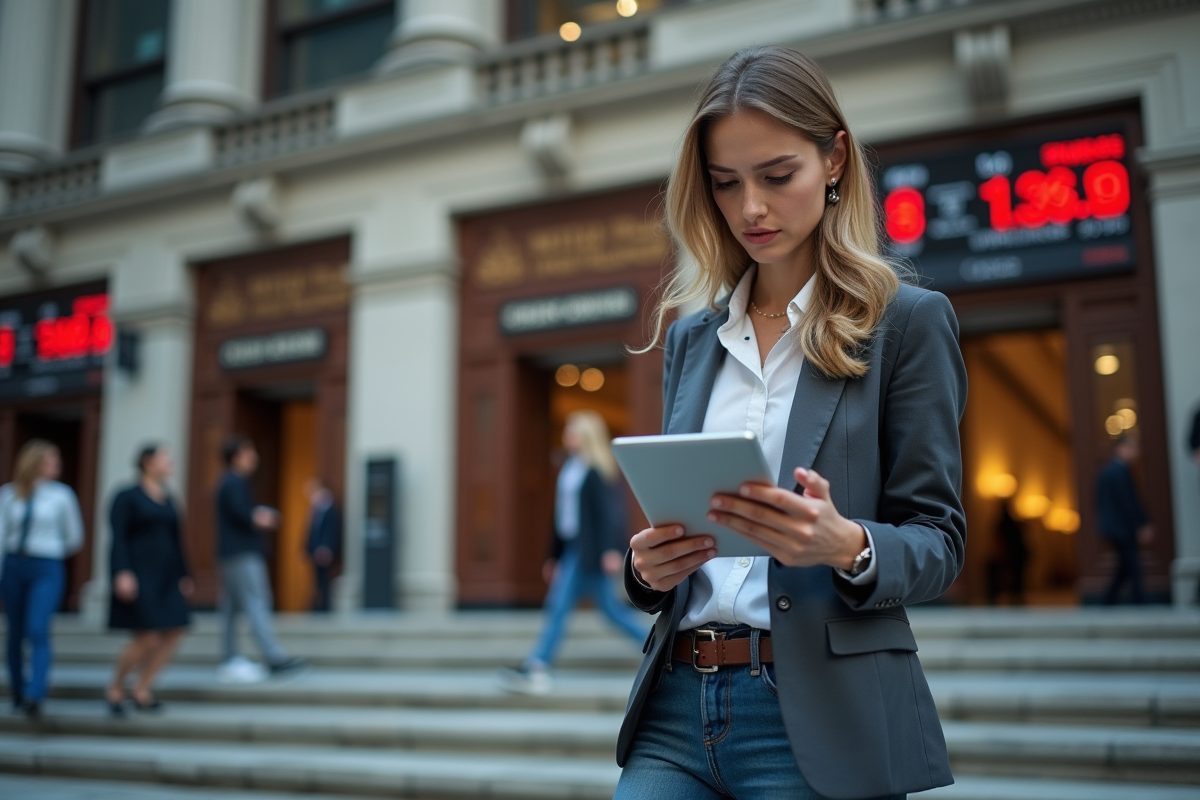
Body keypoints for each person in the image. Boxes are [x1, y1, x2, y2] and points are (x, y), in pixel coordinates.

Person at [614, 46, 967, 799]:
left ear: (834, 157)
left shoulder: (906, 323)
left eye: (777, 177)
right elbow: (681, 527)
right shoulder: (692, 338)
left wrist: (848, 545)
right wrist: (646, 571)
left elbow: (939, 539)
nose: (750, 209)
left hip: (817, 717)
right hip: (676, 708)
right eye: (725, 183)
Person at [500, 411, 650, 695]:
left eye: (572, 431)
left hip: (589, 551)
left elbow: (608, 516)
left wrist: (610, 549)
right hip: (571, 548)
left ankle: (537, 666)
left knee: (559, 607)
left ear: (584, 436)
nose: (567, 435)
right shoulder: (569, 469)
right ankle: (658, 646)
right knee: (611, 612)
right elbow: (561, 518)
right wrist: (553, 555)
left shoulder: (596, 470)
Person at [0, 440, 84, 718]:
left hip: (46, 565)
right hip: (14, 565)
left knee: (37, 627)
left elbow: (74, 538)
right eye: (51, 460)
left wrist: (50, 547)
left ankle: (36, 692)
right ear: (34, 462)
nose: (56, 465)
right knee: (15, 632)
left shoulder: (62, 496)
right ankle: (18, 692)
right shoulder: (9, 495)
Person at [106, 444, 192, 716]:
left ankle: (143, 688)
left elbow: (176, 541)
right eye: (165, 458)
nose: (170, 463)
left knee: (175, 630)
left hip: (167, 576)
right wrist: (121, 572)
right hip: (139, 574)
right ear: (147, 462)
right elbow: (117, 538)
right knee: (148, 636)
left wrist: (184, 574)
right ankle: (116, 687)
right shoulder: (126, 496)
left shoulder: (168, 498)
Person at [215, 435, 305, 682]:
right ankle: (273, 656)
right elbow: (242, 513)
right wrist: (261, 516)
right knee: (257, 601)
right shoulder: (234, 483)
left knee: (232, 608)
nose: (254, 458)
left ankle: (230, 657)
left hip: (232, 553)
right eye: (248, 453)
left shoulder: (231, 482)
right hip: (242, 553)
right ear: (236, 457)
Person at [1096, 434, 1153, 605]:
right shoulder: (1121, 471)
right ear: (1121, 448)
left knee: (1125, 565)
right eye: (1132, 448)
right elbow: (1128, 501)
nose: (1135, 453)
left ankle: (1108, 601)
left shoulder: (1105, 471)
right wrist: (1141, 524)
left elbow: (1098, 502)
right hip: (1123, 527)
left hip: (1112, 527)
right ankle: (1139, 601)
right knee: (1133, 564)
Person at [303, 477, 340, 613]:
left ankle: (324, 608)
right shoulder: (316, 507)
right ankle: (318, 607)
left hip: (324, 551)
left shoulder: (329, 507)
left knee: (324, 581)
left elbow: (331, 529)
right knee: (317, 581)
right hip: (315, 550)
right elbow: (312, 530)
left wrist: (326, 547)